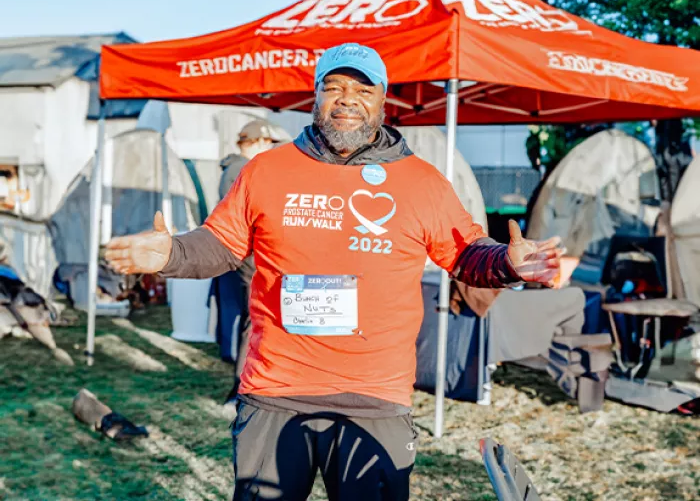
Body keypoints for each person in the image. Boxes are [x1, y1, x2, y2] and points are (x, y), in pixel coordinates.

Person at [105, 42, 562, 501]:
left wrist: (507, 262)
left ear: (384, 100)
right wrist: (170, 253)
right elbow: (220, 245)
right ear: (316, 96)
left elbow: (467, 256)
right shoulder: (267, 170)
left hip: (375, 401)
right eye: (334, 87)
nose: (347, 99)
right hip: (276, 393)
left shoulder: (423, 183)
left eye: (363, 89)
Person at [217, 118, 285, 394]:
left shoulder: (236, 169)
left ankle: (245, 381)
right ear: (256, 142)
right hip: (249, 256)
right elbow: (248, 215)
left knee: (250, 318)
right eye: (268, 143)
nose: (270, 149)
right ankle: (242, 384)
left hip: (244, 254)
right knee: (254, 319)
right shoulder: (240, 170)